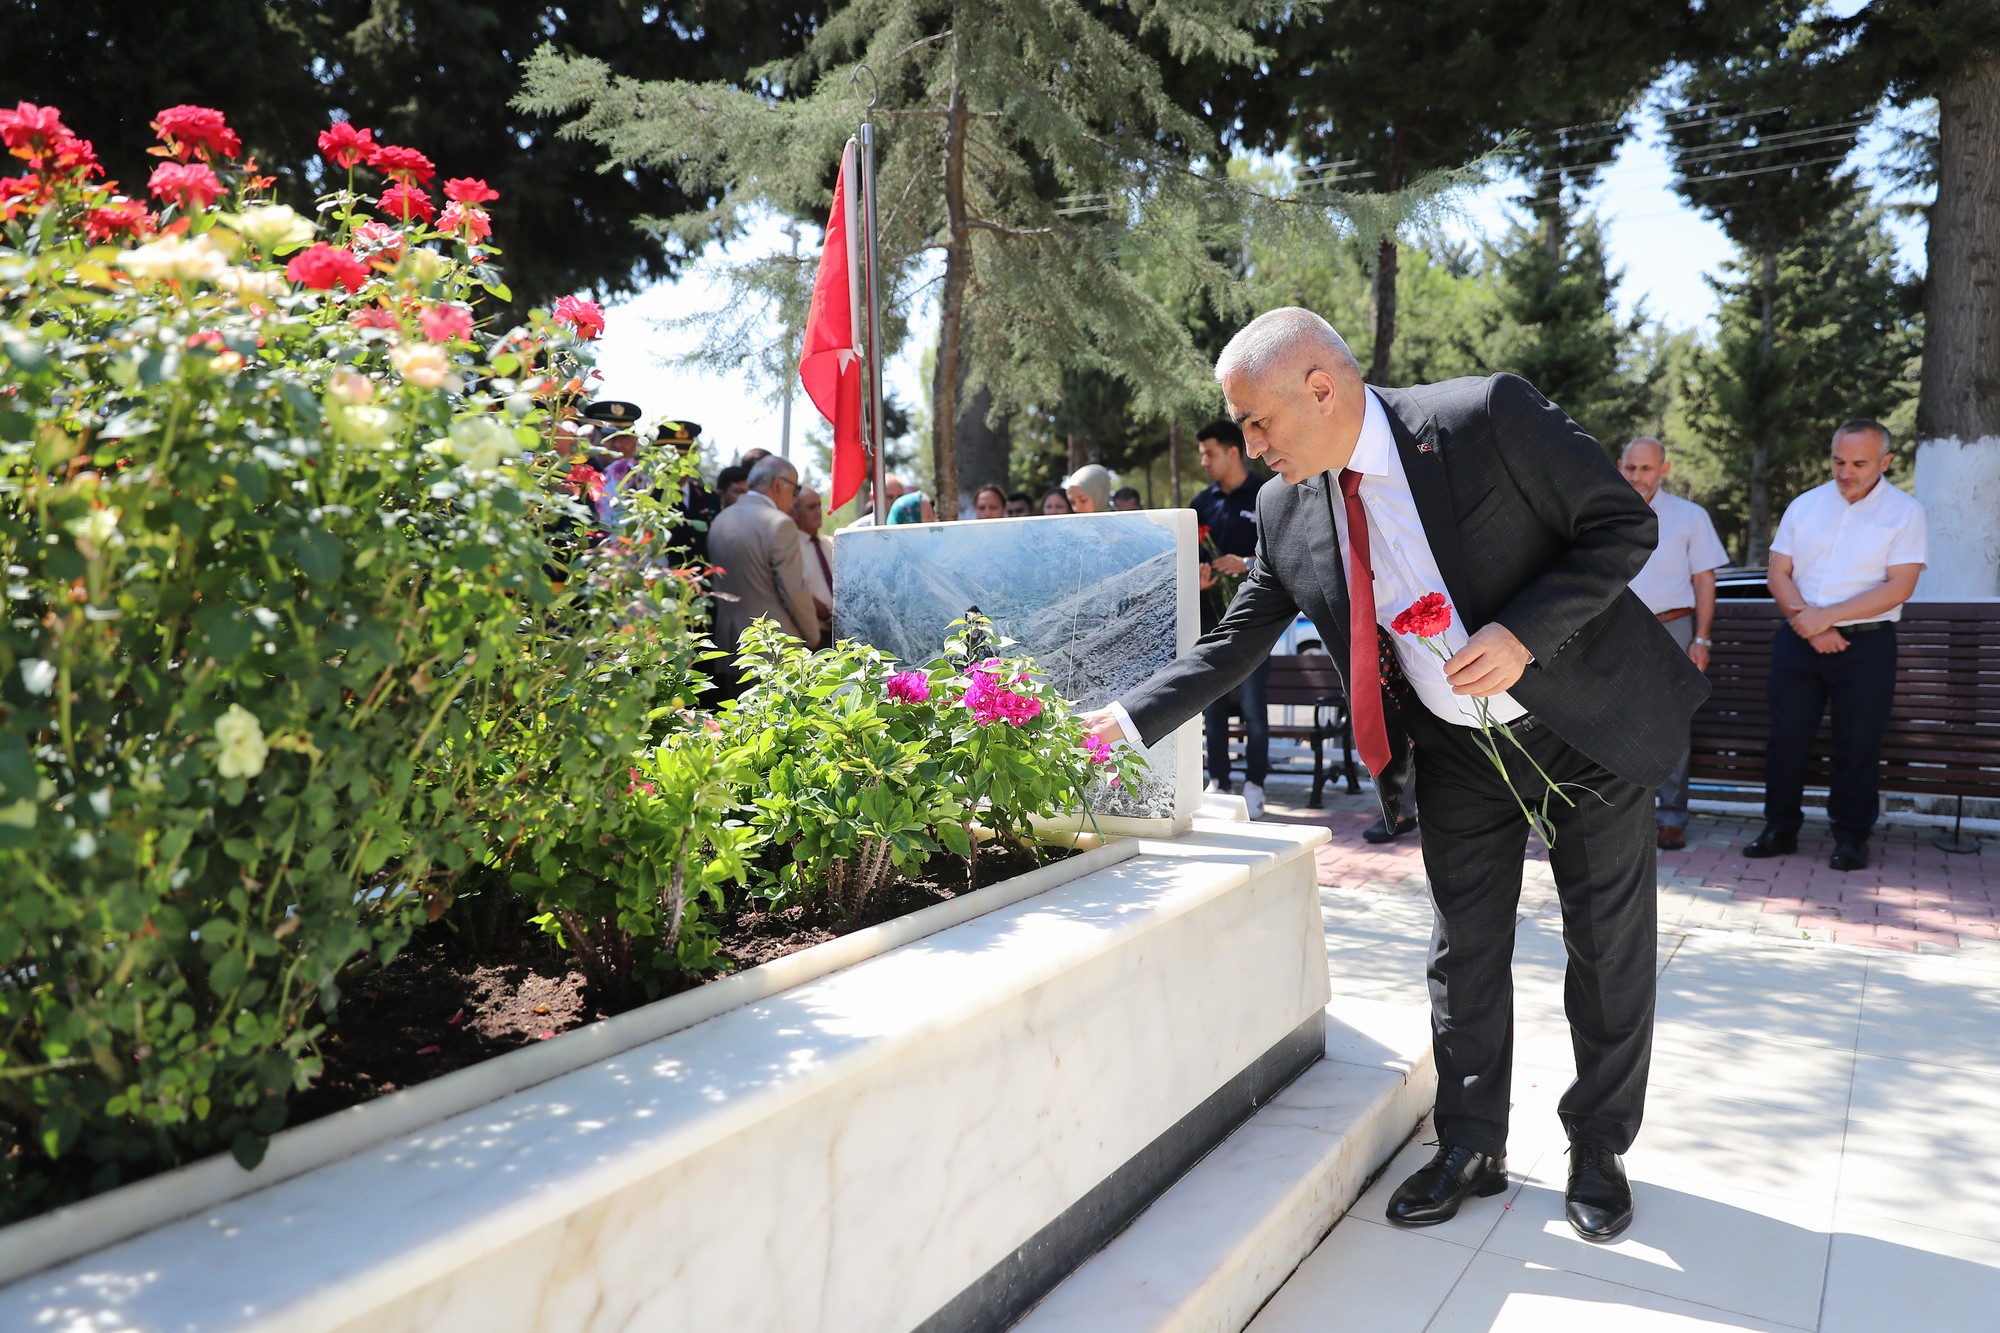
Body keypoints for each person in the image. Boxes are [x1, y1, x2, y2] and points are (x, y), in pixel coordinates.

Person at [1083, 308, 1706, 1243]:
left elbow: (1620, 527)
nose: (1249, 449)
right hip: (1456, 752)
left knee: (1607, 948)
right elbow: (1232, 644)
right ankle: (1469, 1147)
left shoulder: (1485, 417)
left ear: (1321, 389)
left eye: (1258, 423)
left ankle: (1597, 1150)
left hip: (1583, 729)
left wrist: (1523, 633)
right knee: (1463, 951)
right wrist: (1120, 727)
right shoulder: (1287, 512)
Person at [1745, 420, 1927, 872]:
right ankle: (1779, 828)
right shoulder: (1805, 506)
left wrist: (1825, 617)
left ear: (1885, 462)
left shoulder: (1905, 512)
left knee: (1858, 742)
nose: (1845, 471)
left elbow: (1900, 586)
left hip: (1867, 647)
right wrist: (1809, 624)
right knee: (1787, 738)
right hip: (1798, 640)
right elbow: (1779, 574)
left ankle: (1851, 836)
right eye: (1838, 461)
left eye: (1859, 463)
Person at [1619, 437, 1730, 851]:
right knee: (1613, 720)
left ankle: (1671, 817)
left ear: (1663, 470)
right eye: (1630, 467)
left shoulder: (1690, 516)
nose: (1637, 477)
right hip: (1615, 629)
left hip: (1673, 628)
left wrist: (1701, 637)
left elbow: (1704, 580)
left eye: (1646, 469)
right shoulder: (1603, 510)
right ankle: (1620, 816)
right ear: (1620, 466)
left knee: (1672, 724)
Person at [1189, 420, 1271, 818]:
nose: (1203, 461)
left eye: (1210, 453)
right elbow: (1184, 562)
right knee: (1212, 706)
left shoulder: (1266, 494)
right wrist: (1199, 580)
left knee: (1255, 709)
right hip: (1210, 625)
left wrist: (1246, 564)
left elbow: (1286, 556)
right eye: (1201, 453)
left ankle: (1255, 785)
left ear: (1233, 452)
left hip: (1256, 622)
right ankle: (1218, 782)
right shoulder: (1199, 504)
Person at [706, 456, 821, 696]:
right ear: (780, 484)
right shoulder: (779, 524)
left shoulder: (720, 520)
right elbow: (793, 591)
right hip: (773, 652)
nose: (795, 498)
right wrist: (813, 636)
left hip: (727, 648)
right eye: (795, 488)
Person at [660, 420, 719, 560]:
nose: (680, 464)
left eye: (684, 457)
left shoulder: (709, 498)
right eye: (674, 458)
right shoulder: (650, 497)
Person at [792, 482, 836, 643]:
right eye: (811, 507)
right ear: (794, 512)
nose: (818, 512)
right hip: (811, 638)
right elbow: (793, 589)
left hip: (839, 634)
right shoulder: (790, 548)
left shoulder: (829, 544)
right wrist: (823, 612)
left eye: (819, 505)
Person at [839, 471, 907, 531]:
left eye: (899, 496)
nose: (896, 501)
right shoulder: (856, 531)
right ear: (873, 497)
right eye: (889, 497)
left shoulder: (912, 526)